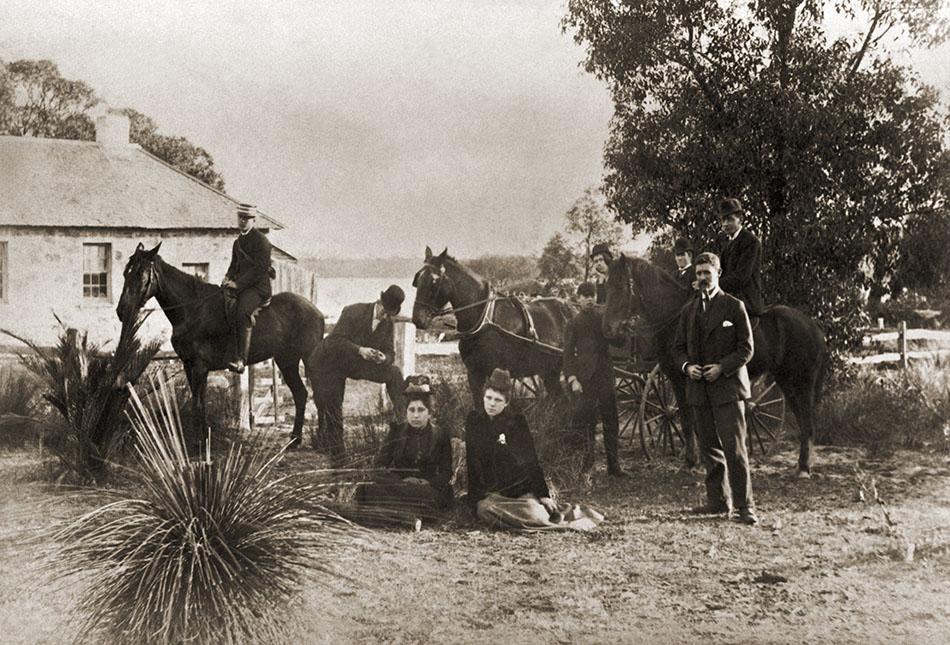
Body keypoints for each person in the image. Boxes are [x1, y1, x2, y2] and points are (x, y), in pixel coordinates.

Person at [672, 252, 758, 526]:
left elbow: (746, 348)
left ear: (718, 273)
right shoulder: (688, 310)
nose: (702, 278)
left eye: (707, 273)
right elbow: (677, 349)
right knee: (709, 448)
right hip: (699, 391)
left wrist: (722, 367)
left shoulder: (734, 306)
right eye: (698, 274)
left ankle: (745, 507)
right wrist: (687, 367)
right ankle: (717, 502)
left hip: (728, 390)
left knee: (734, 449)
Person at [465, 368, 604, 531]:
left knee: (531, 509)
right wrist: (474, 499)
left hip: (516, 489)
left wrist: (543, 494)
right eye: (488, 398)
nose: (492, 404)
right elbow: (472, 460)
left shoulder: (516, 423)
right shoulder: (474, 421)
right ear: (483, 397)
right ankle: (531, 518)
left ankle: (542, 518)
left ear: (506, 402)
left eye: (497, 400)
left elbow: (531, 459)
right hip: (491, 493)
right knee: (484, 509)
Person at [313, 285, 407, 462]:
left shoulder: (388, 322)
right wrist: (359, 350)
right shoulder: (353, 311)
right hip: (331, 362)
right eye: (384, 313)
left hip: (356, 364)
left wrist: (383, 358)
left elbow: (390, 352)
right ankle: (339, 459)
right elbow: (334, 341)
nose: (386, 317)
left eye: (390, 315)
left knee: (393, 373)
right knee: (334, 408)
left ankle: (405, 423)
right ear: (379, 303)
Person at [355, 375, 454, 527]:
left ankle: (395, 514)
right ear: (406, 412)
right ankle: (411, 516)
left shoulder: (441, 435)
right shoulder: (396, 431)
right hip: (399, 486)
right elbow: (379, 466)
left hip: (426, 490)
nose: (416, 415)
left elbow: (446, 472)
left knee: (435, 497)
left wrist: (426, 482)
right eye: (411, 410)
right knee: (366, 489)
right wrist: (400, 482)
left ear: (429, 413)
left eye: (421, 410)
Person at [563, 282, 627, 477]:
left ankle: (613, 467)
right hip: (585, 379)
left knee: (611, 421)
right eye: (584, 296)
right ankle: (587, 466)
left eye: (591, 295)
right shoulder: (573, 323)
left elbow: (618, 341)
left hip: (605, 376)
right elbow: (567, 355)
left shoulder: (603, 319)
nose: (589, 299)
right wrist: (573, 379)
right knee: (587, 422)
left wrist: (621, 329)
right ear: (578, 299)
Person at [221, 203, 273, 373]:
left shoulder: (262, 242)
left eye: (246, 219)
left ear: (254, 220)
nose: (242, 221)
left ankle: (241, 359)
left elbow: (258, 272)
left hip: (258, 288)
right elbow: (234, 265)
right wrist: (227, 277)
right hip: (243, 286)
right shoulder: (238, 242)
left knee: (242, 311)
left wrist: (237, 284)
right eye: (240, 218)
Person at [714, 198, 765, 316]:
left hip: (745, 301)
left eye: (730, 219)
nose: (725, 224)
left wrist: (713, 284)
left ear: (740, 220)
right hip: (729, 297)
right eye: (723, 220)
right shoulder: (725, 242)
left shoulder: (751, 241)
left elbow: (741, 277)